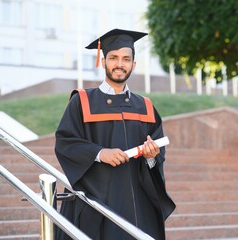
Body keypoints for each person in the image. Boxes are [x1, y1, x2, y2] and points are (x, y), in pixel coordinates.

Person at [54, 28, 175, 240]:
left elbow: (158, 154)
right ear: (103, 61)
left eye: (126, 59)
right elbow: (66, 143)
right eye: (114, 58)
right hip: (96, 201)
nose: (120, 64)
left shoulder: (145, 106)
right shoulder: (82, 101)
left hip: (138, 206)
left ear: (133, 65)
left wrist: (151, 157)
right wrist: (99, 153)